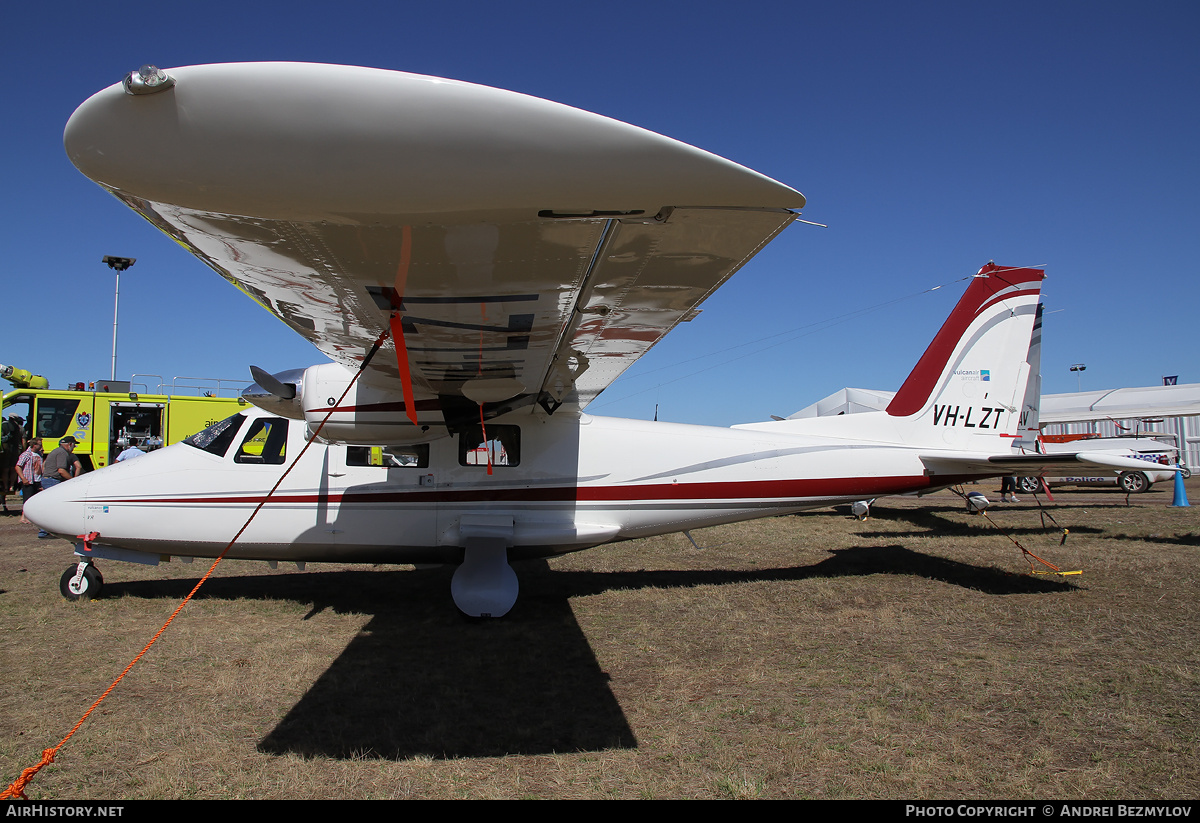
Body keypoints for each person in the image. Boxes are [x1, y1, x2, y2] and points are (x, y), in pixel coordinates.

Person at [38, 436, 82, 537]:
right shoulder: (62, 453)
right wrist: (73, 481)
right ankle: (44, 532)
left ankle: (46, 530)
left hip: (48, 479)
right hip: (52, 480)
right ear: (69, 444)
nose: (74, 447)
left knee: (50, 506)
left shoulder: (57, 451)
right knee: (52, 507)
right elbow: (61, 470)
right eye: (74, 444)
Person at [16, 438, 44, 525]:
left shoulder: (39, 454)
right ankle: (23, 517)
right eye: (39, 444)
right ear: (34, 445)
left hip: (37, 479)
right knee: (27, 499)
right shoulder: (26, 454)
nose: (41, 446)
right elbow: (18, 466)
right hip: (29, 479)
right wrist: (23, 478)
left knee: (35, 499)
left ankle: (31, 517)